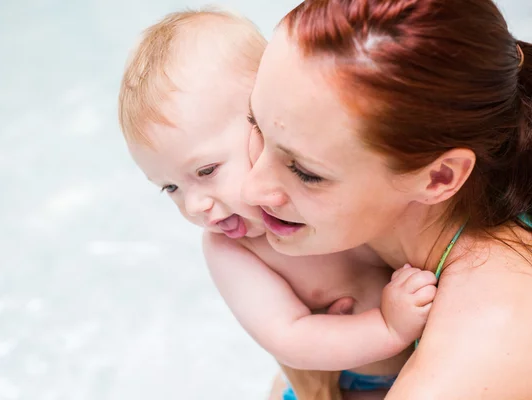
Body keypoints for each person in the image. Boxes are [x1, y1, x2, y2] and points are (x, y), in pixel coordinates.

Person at [118, 8, 438, 399]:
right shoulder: (230, 249)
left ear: (266, 118)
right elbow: (290, 337)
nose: (195, 205)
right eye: (170, 188)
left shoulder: (332, 174)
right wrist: (389, 327)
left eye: (206, 171)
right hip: (361, 383)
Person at [243, 0, 532, 398]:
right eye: (254, 124)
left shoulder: (477, 352)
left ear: (440, 177)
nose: (250, 189)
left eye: (307, 172)